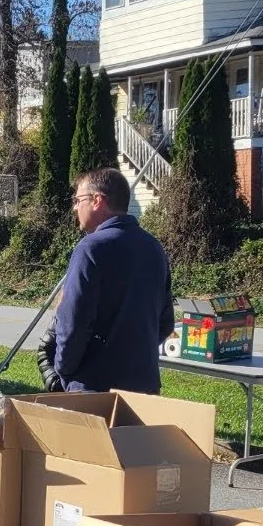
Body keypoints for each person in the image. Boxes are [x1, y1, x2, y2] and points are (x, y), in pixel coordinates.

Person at [47, 167, 174, 395]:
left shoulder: (91, 248)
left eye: (78, 199)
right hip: (144, 387)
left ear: (97, 200)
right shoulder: (154, 247)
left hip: (93, 389)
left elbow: (73, 322)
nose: (75, 207)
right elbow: (164, 323)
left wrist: (63, 370)